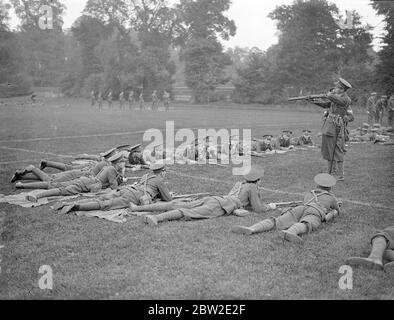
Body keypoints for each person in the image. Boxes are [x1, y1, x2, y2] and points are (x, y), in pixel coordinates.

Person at [130, 166, 276, 226]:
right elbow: (258, 209)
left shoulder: (241, 184)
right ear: (258, 179)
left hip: (215, 198)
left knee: (176, 204)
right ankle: (156, 218)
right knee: (187, 212)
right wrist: (270, 206)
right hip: (221, 205)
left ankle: (137, 209)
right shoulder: (252, 187)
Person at [231, 173, 341, 244]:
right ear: (330, 187)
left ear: (317, 185)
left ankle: (252, 228)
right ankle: (291, 231)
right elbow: (336, 211)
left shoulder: (309, 193)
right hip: (315, 211)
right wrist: (333, 212)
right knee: (307, 223)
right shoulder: (331, 197)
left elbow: (305, 203)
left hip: (301, 208)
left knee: (276, 220)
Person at [54, 163, 173, 215]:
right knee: (107, 204)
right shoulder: (159, 180)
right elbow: (168, 199)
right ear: (162, 172)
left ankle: (70, 203)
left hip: (127, 189)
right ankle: (78, 207)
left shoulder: (146, 176)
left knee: (104, 197)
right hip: (134, 196)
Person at [25, 153, 128, 202]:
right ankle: (37, 196)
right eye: (122, 162)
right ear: (117, 163)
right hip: (86, 183)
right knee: (62, 190)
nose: (124, 164)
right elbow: (114, 188)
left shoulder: (109, 167)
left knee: (56, 185)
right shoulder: (111, 170)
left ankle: (24, 186)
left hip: (87, 180)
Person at [308, 78, 353, 181]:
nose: (335, 89)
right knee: (328, 150)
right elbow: (326, 104)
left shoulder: (345, 99)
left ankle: (340, 175)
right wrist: (313, 101)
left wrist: (328, 94)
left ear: (342, 89)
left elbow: (334, 99)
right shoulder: (336, 97)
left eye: (337, 87)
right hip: (329, 126)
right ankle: (331, 171)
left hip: (336, 126)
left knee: (337, 150)